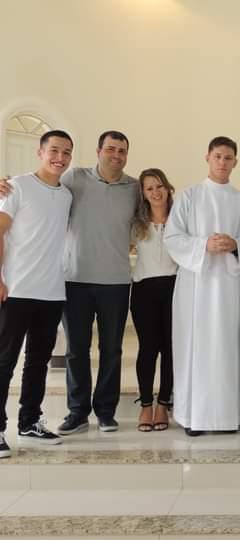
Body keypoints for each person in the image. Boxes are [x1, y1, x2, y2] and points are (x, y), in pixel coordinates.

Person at [0, 131, 138, 435]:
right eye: (110, 149)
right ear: (98, 150)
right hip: (69, 280)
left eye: (122, 150)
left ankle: (101, 412)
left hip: (106, 282)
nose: (116, 154)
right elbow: (14, 209)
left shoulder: (132, 188)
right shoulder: (72, 179)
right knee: (73, 350)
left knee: (109, 350)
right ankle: (77, 412)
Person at [164, 137, 240, 436]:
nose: (223, 162)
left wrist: (235, 244)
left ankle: (225, 418)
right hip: (195, 286)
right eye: (218, 156)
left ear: (235, 162)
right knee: (194, 347)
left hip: (225, 288)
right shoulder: (190, 196)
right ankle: (193, 417)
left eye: (228, 158)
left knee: (225, 347)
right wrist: (204, 245)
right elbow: (173, 238)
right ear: (208, 157)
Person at [0, 130, 74, 458]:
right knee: (5, 361)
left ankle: (29, 421)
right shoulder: (17, 186)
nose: (60, 157)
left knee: (38, 362)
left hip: (51, 292)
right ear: (40, 152)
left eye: (66, 152)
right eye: (54, 150)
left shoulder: (67, 195)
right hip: (15, 290)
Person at [130, 168, 177, 432]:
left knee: (170, 349)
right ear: (143, 194)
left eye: (159, 186)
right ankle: (145, 405)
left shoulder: (181, 220)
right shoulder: (136, 224)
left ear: (168, 188)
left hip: (174, 288)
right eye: (149, 188)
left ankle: (163, 405)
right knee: (148, 348)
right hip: (144, 290)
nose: (156, 192)